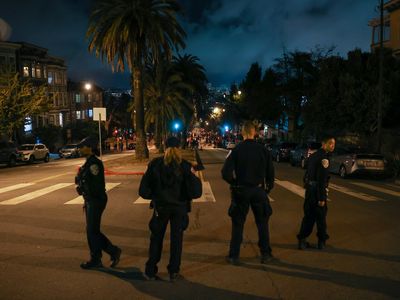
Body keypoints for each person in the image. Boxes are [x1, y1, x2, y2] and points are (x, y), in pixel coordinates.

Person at [139, 136, 194, 281]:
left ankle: (151, 270)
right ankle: (174, 271)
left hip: (161, 207)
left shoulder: (155, 164)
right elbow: (195, 190)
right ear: (179, 148)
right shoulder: (185, 166)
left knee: (156, 238)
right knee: (177, 240)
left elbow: (143, 191)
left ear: (165, 147)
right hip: (179, 208)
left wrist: (156, 196)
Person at [221, 120, 275, 264]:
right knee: (262, 223)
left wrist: (234, 183)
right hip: (258, 190)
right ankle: (265, 254)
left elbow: (225, 172)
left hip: (242, 190)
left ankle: (234, 255)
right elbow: (271, 172)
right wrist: (268, 188)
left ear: (242, 133)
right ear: (254, 133)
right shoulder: (263, 150)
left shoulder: (236, 150)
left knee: (238, 224)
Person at [75, 136, 121, 269]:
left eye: (82, 147)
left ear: (89, 148)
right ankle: (110, 252)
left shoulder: (94, 164)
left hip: (95, 200)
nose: (80, 149)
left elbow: (96, 186)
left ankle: (98, 258)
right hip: (91, 200)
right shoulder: (88, 162)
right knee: (92, 230)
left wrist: (84, 190)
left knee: (92, 231)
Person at [297, 135, 336, 250]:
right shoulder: (324, 159)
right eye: (330, 143)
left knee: (308, 216)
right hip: (317, 191)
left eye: (334, 144)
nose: (333, 146)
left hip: (310, 190)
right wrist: (322, 198)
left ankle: (302, 241)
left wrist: (307, 186)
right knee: (321, 218)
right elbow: (322, 180)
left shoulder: (313, 156)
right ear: (324, 144)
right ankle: (321, 242)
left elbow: (307, 174)